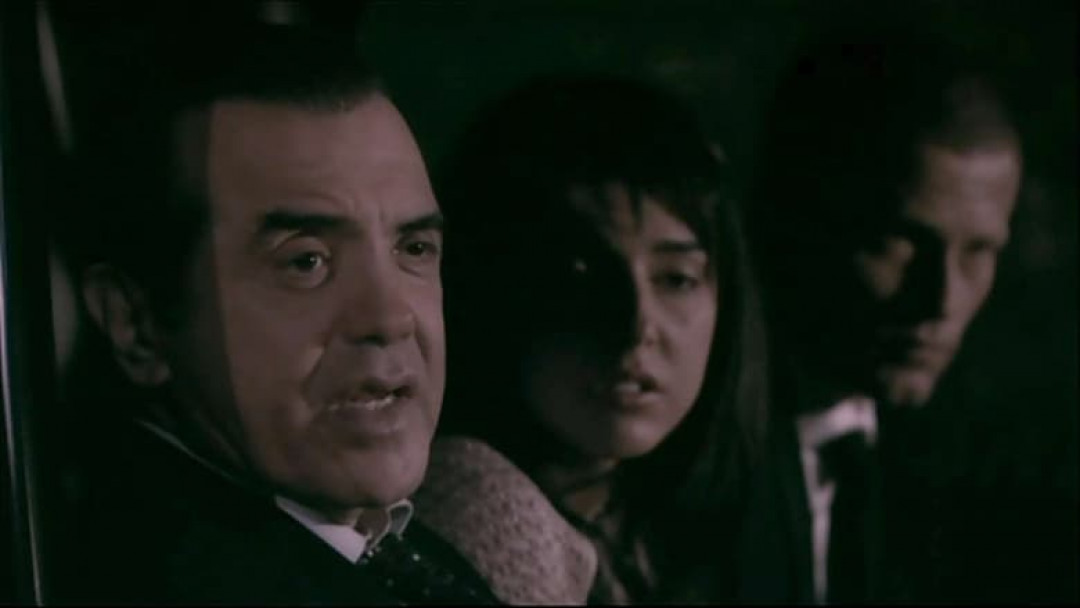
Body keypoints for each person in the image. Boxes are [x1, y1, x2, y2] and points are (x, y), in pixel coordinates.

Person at [50, 7, 496, 604]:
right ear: (136, 324)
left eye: (413, 248)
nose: (390, 319)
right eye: (306, 261)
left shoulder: (392, 550)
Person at [741, 27, 1074, 603]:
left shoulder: (995, 464)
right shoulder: (681, 449)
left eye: (979, 251)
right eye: (899, 242)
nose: (941, 300)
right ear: (799, 217)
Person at [411, 75, 769, 604]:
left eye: (676, 279)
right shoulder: (481, 511)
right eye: (580, 274)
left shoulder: (659, 523)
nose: (635, 326)